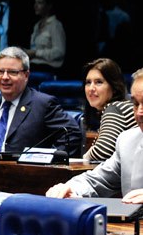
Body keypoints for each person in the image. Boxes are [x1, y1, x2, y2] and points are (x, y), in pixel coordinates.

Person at [46, 69, 143, 203]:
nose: (139, 113)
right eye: (136, 104)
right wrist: (70, 187)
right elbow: (98, 179)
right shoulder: (128, 141)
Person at [0, 47, 82, 156]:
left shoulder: (43, 105)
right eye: (0, 71)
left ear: (26, 75)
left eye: (12, 72)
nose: (5, 77)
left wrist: (48, 159)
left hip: (21, 169)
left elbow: (72, 134)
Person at [81, 58, 136, 163]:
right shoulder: (122, 105)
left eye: (99, 82)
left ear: (114, 86)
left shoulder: (115, 108)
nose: (91, 88)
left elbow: (102, 151)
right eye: (88, 82)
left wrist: (86, 156)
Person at [25, 0, 66, 73]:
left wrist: (36, 53)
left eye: (40, 3)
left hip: (47, 69)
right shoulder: (36, 25)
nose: (35, 6)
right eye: (35, 2)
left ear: (49, 5)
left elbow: (59, 52)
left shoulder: (55, 25)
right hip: (33, 66)